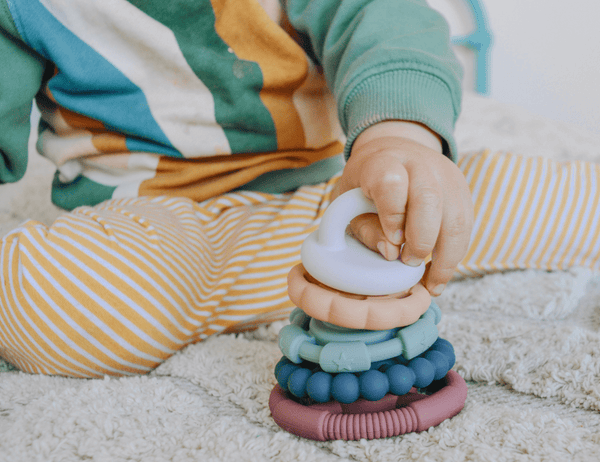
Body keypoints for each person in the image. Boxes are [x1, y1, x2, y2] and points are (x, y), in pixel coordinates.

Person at [1, 0, 599, 378]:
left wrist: (397, 139)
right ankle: (307, 261)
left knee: (478, 200)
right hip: (156, 229)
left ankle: (344, 241)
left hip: (348, 197)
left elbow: (387, 21)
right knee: (42, 299)